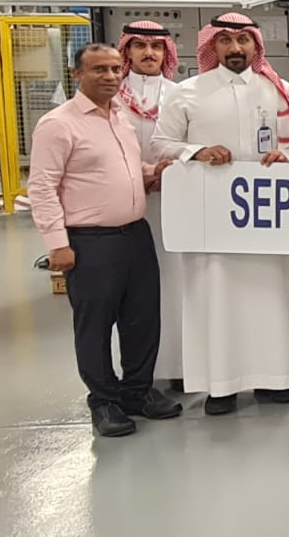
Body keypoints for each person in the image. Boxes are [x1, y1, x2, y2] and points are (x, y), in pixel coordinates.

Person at [151, 13, 289, 416]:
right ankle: (221, 387)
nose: (235, 48)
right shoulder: (187, 92)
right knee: (215, 297)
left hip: (267, 215)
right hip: (212, 219)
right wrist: (197, 151)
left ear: (256, 45)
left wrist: (286, 154)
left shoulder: (279, 90)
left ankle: (276, 379)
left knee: (269, 296)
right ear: (211, 46)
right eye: (225, 41)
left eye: (243, 40)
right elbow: (161, 143)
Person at [30, 44, 182, 437]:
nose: (111, 77)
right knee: (95, 326)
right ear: (77, 74)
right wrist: (57, 243)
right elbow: (42, 187)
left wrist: (155, 173)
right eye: (99, 70)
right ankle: (104, 402)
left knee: (142, 320)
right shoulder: (58, 124)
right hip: (90, 241)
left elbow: (127, 169)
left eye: (116, 69)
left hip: (135, 235)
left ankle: (137, 392)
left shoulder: (120, 118)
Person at [113, 21, 188, 388]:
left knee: (176, 284)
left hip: (174, 204)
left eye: (156, 47)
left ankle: (180, 367)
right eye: (140, 46)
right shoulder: (111, 97)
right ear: (127, 51)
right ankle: (140, 373)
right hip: (124, 207)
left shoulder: (181, 95)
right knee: (132, 292)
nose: (148, 53)